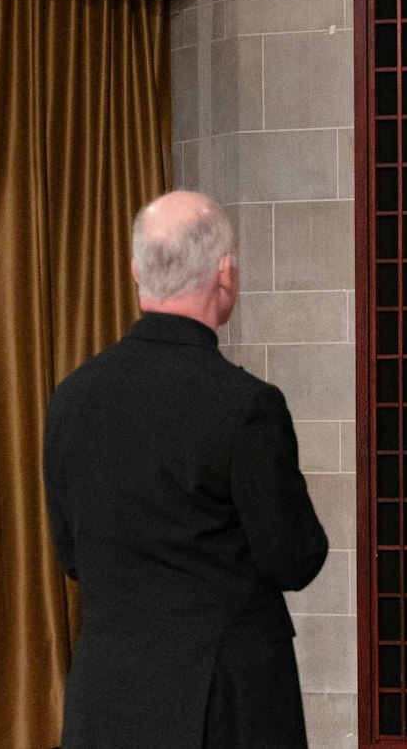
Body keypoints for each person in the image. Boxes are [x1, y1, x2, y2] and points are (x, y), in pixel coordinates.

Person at [44, 191, 328, 749]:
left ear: (135, 271)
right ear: (226, 273)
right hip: (224, 703)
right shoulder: (246, 405)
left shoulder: (72, 398)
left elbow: (70, 554)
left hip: (106, 698)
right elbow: (294, 558)